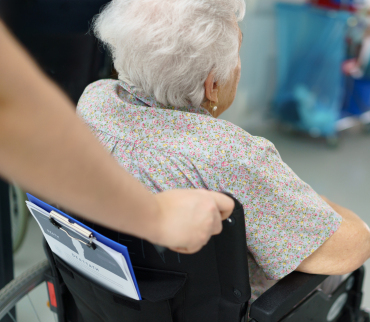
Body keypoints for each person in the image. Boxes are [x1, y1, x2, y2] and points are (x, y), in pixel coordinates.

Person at [77, 0, 370, 299]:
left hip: (123, 300)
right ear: (213, 84)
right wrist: (325, 203)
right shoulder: (232, 156)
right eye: (237, 55)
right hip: (223, 321)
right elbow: (352, 247)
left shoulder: (94, 102)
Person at [0, 20, 234, 254]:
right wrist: (156, 215)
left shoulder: (94, 98)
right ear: (212, 83)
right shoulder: (241, 156)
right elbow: (10, 107)